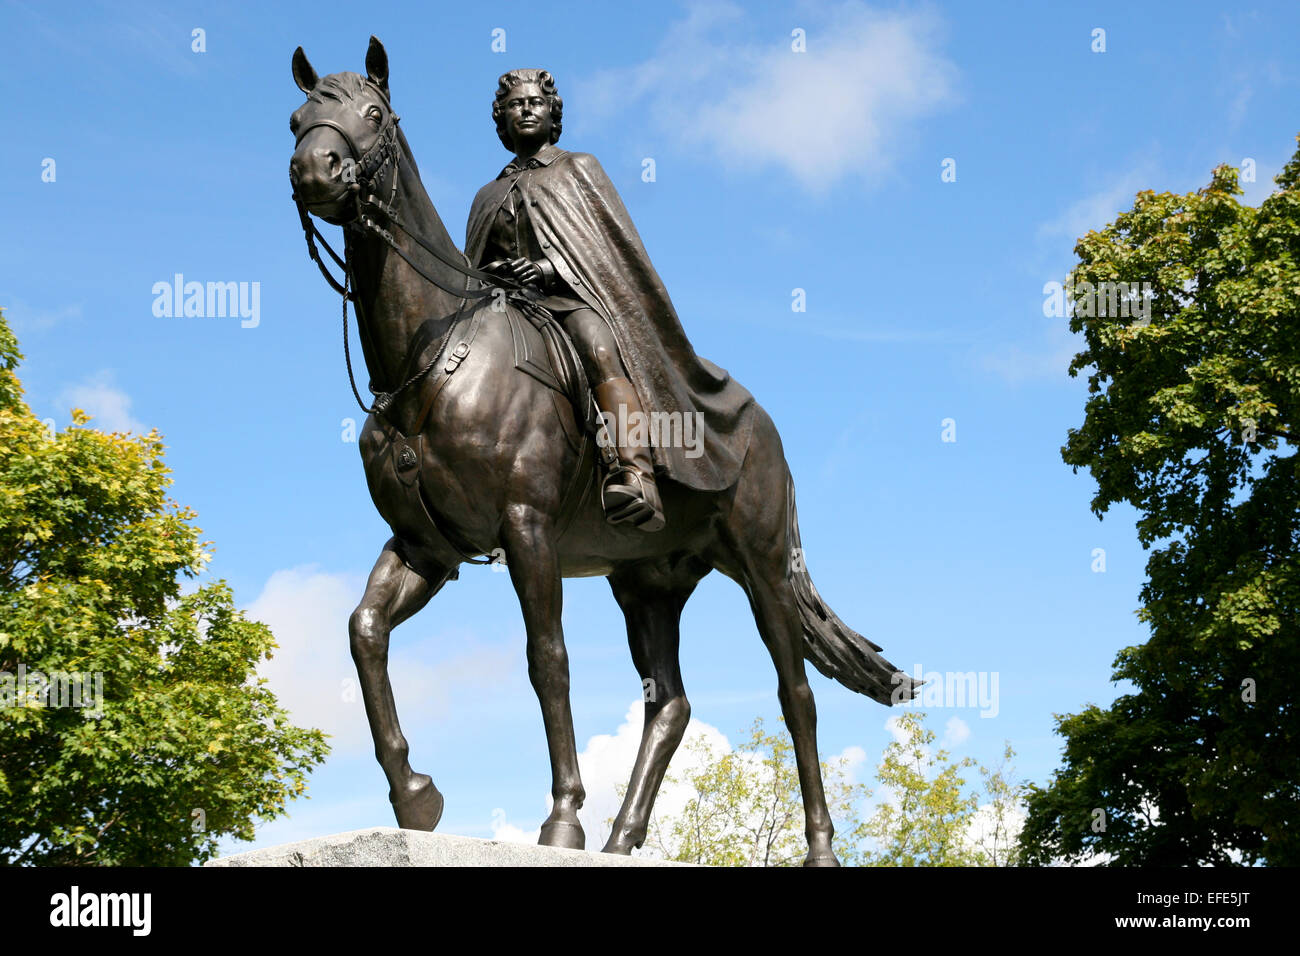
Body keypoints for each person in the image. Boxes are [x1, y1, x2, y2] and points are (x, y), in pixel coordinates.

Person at [466, 69, 756, 533]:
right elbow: (473, 268)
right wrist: (491, 277)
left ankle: (637, 472)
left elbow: (607, 254)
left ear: (551, 114)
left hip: (569, 301)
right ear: (501, 118)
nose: (525, 109)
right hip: (508, 311)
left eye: (535, 103)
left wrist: (544, 270)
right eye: (515, 104)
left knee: (599, 349)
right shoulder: (487, 195)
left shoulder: (578, 169)